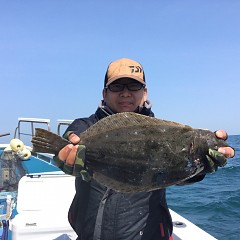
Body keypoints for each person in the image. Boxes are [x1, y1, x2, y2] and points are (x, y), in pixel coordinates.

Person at [54, 58, 234, 240]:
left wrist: (201, 166)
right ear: (105, 93)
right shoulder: (85, 126)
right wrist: (64, 152)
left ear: (145, 92)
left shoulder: (164, 135)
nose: (125, 93)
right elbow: (71, 137)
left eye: (133, 87)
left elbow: (175, 174)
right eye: (117, 87)